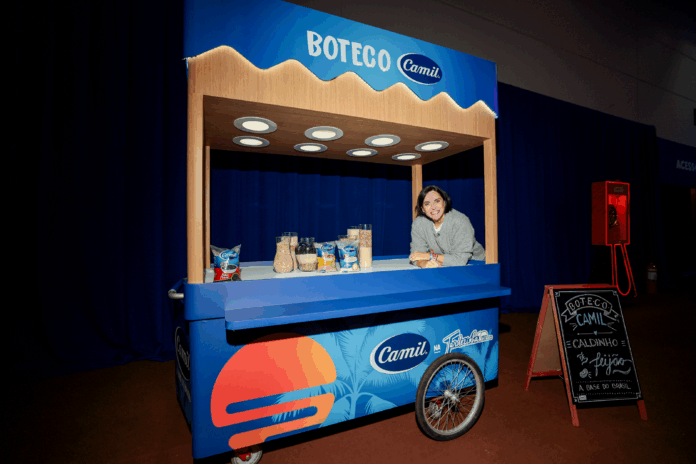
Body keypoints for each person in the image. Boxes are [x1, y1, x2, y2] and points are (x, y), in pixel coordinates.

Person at [408, 185, 485, 268]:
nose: (433, 207)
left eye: (437, 201)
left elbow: (460, 260)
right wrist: (425, 264)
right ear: (422, 209)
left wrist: (430, 256)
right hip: (444, 266)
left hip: (477, 266)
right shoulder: (419, 223)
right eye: (427, 204)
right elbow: (416, 255)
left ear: (444, 202)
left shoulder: (460, 221)